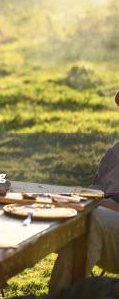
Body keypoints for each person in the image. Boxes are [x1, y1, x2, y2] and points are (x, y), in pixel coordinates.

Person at [48, 90, 119, 293]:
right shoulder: (115, 152)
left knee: (89, 219)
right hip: (106, 229)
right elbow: (95, 191)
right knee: (75, 217)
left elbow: (96, 203)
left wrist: (94, 205)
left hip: (106, 227)